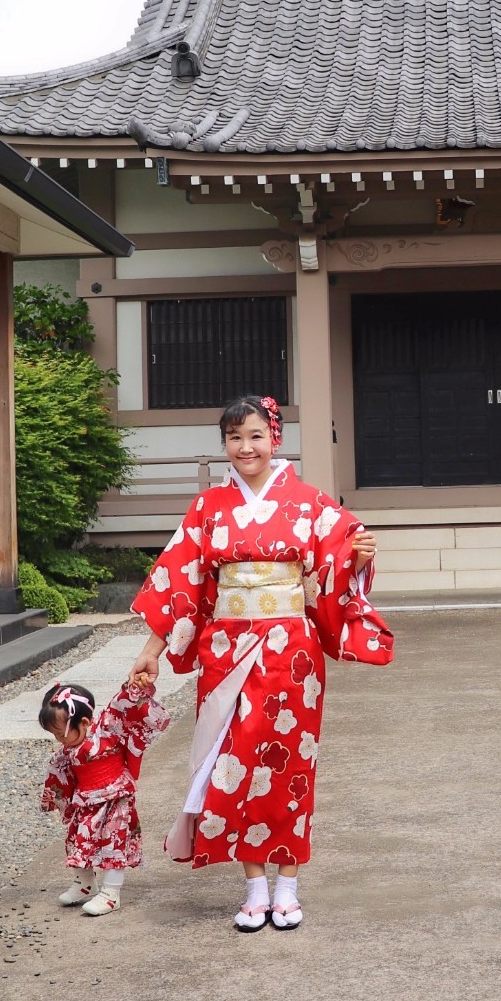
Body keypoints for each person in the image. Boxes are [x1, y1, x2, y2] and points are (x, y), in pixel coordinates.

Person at [129, 393, 394, 932]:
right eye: (234, 438)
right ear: (225, 444)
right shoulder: (208, 508)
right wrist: (151, 652)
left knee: (290, 764)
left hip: (290, 654)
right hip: (226, 652)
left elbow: (339, 559)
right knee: (233, 763)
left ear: (275, 438)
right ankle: (253, 886)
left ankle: (288, 886)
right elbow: (180, 583)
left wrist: (359, 555)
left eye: (255, 436)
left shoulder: (310, 503)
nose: (245, 447)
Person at [38, 679, 171, 916]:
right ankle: (85, 884)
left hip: (115, 795)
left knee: (113, 842)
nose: (59, 740)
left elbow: (124, 704)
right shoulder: (68, 748)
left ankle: (111, 894)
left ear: (85, 722)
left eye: (60, 733)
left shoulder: (108, 729)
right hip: (86, 799)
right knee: (78, 839)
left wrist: (136, 684)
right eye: (54, 735)